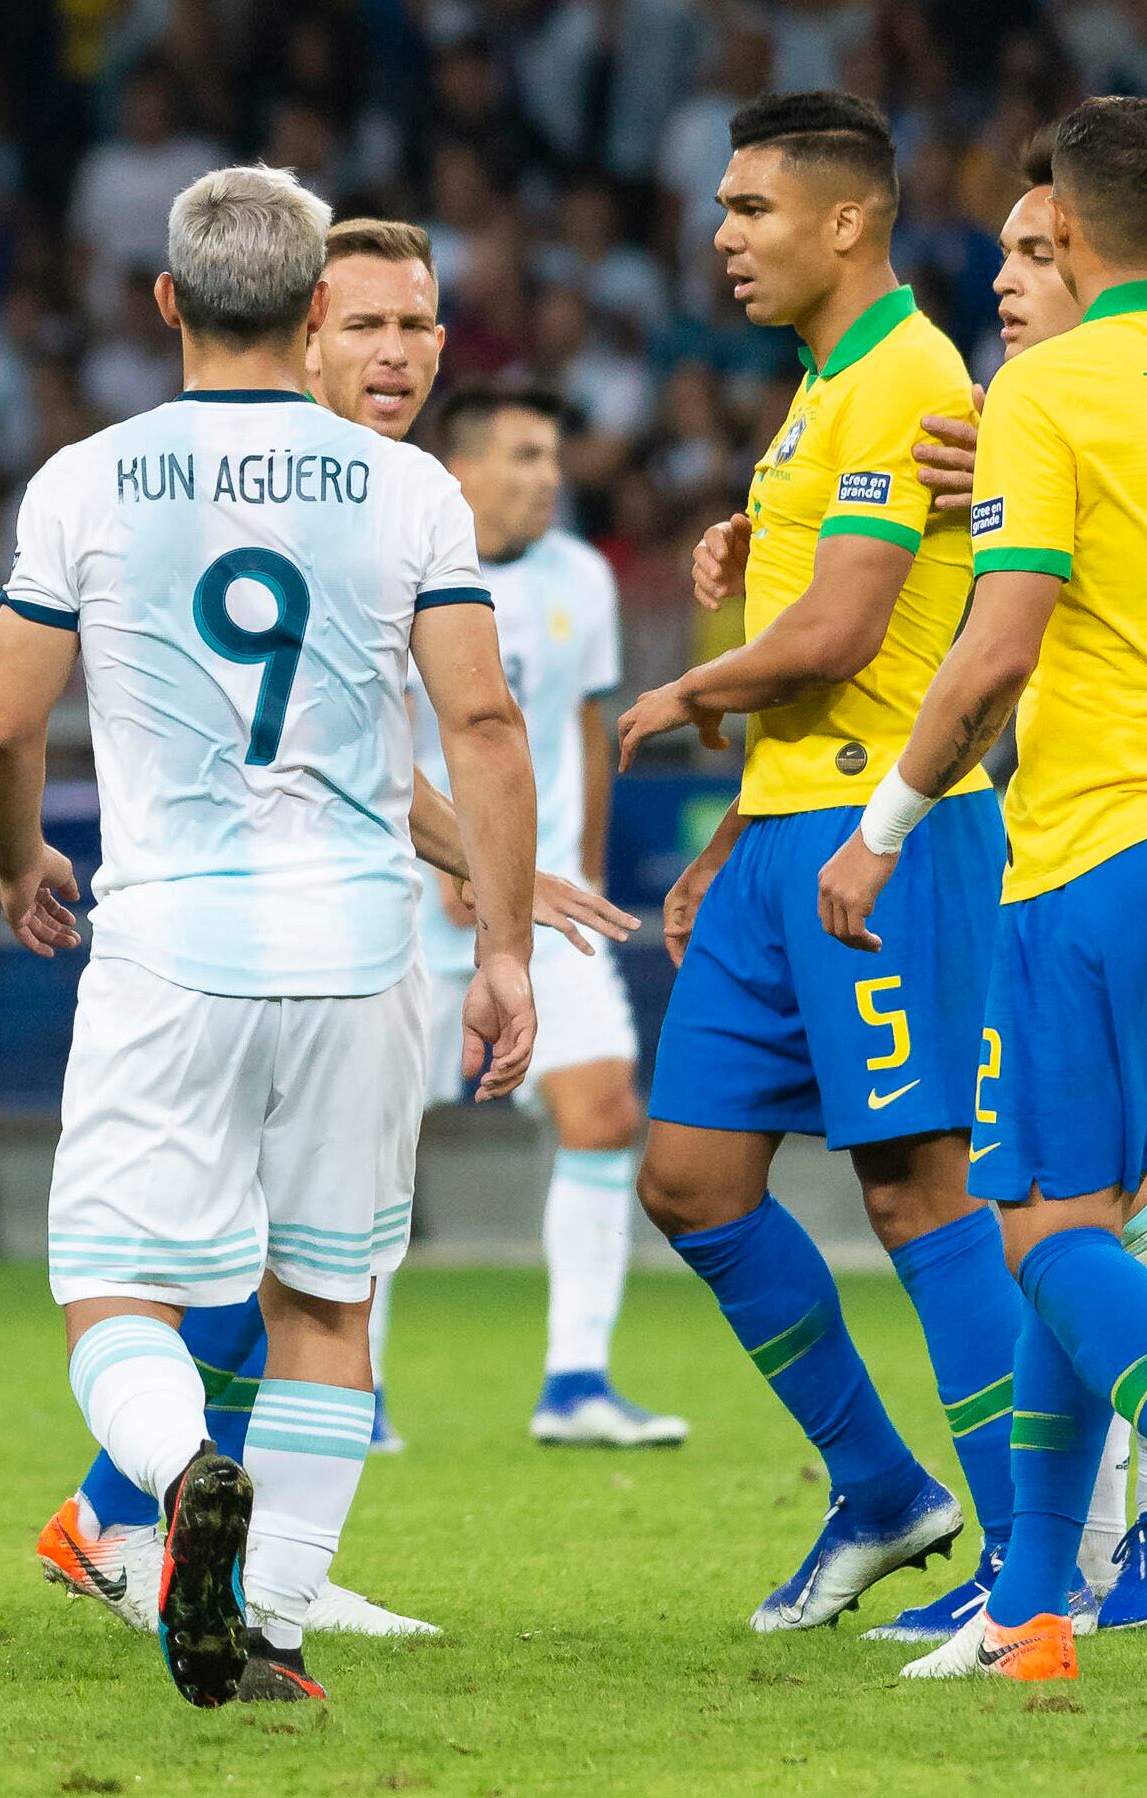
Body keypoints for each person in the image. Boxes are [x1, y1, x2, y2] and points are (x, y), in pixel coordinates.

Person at [0, 165, 543, 1708]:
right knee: (328, 1303)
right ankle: (270, 1631)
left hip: (168, 941)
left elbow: (2, 720)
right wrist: (500, 947)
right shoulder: (410, 487)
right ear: (307, 317)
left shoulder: (83, 479)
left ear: (164, 302)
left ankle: (170, 1475)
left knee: (113, 1293)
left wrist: (22, 856)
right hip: (358, 948)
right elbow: (480, 719)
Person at [813, 96, 1147, 1683]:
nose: (1010, 267)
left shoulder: (1044, 394)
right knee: (1095, 1208)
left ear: (1073, 228)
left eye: (1027, 238)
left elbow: (994, 647)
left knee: (1050, 1234)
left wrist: (884, 821)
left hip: (1093, 853)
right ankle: (1034, 1603)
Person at [613, 91, 1026, 1644]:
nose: (721, 237)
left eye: (750, 208)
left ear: (848, 220)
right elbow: (820, 637)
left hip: (889, 837)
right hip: (786, 833)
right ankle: (878, 1487)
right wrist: (732, 825)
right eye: (721, 209)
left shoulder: (907, 375)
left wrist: (686, 688)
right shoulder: (820, 388)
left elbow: (850, 631)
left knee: (920, 1192)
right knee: (691, 1179)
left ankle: (1025, 1549)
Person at [415, 388, 683, 1450]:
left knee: (604, 1109)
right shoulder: (411, 558)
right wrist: (444, 854)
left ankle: (574, 1378)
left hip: (538, 904)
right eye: (523, 455)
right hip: (412, 894)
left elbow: (580, 733)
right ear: (463, 469)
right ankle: (361, 1391)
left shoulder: (579, 577)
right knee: (370, 1140)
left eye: (552, 456)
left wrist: (566, 866)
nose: (545, 475)